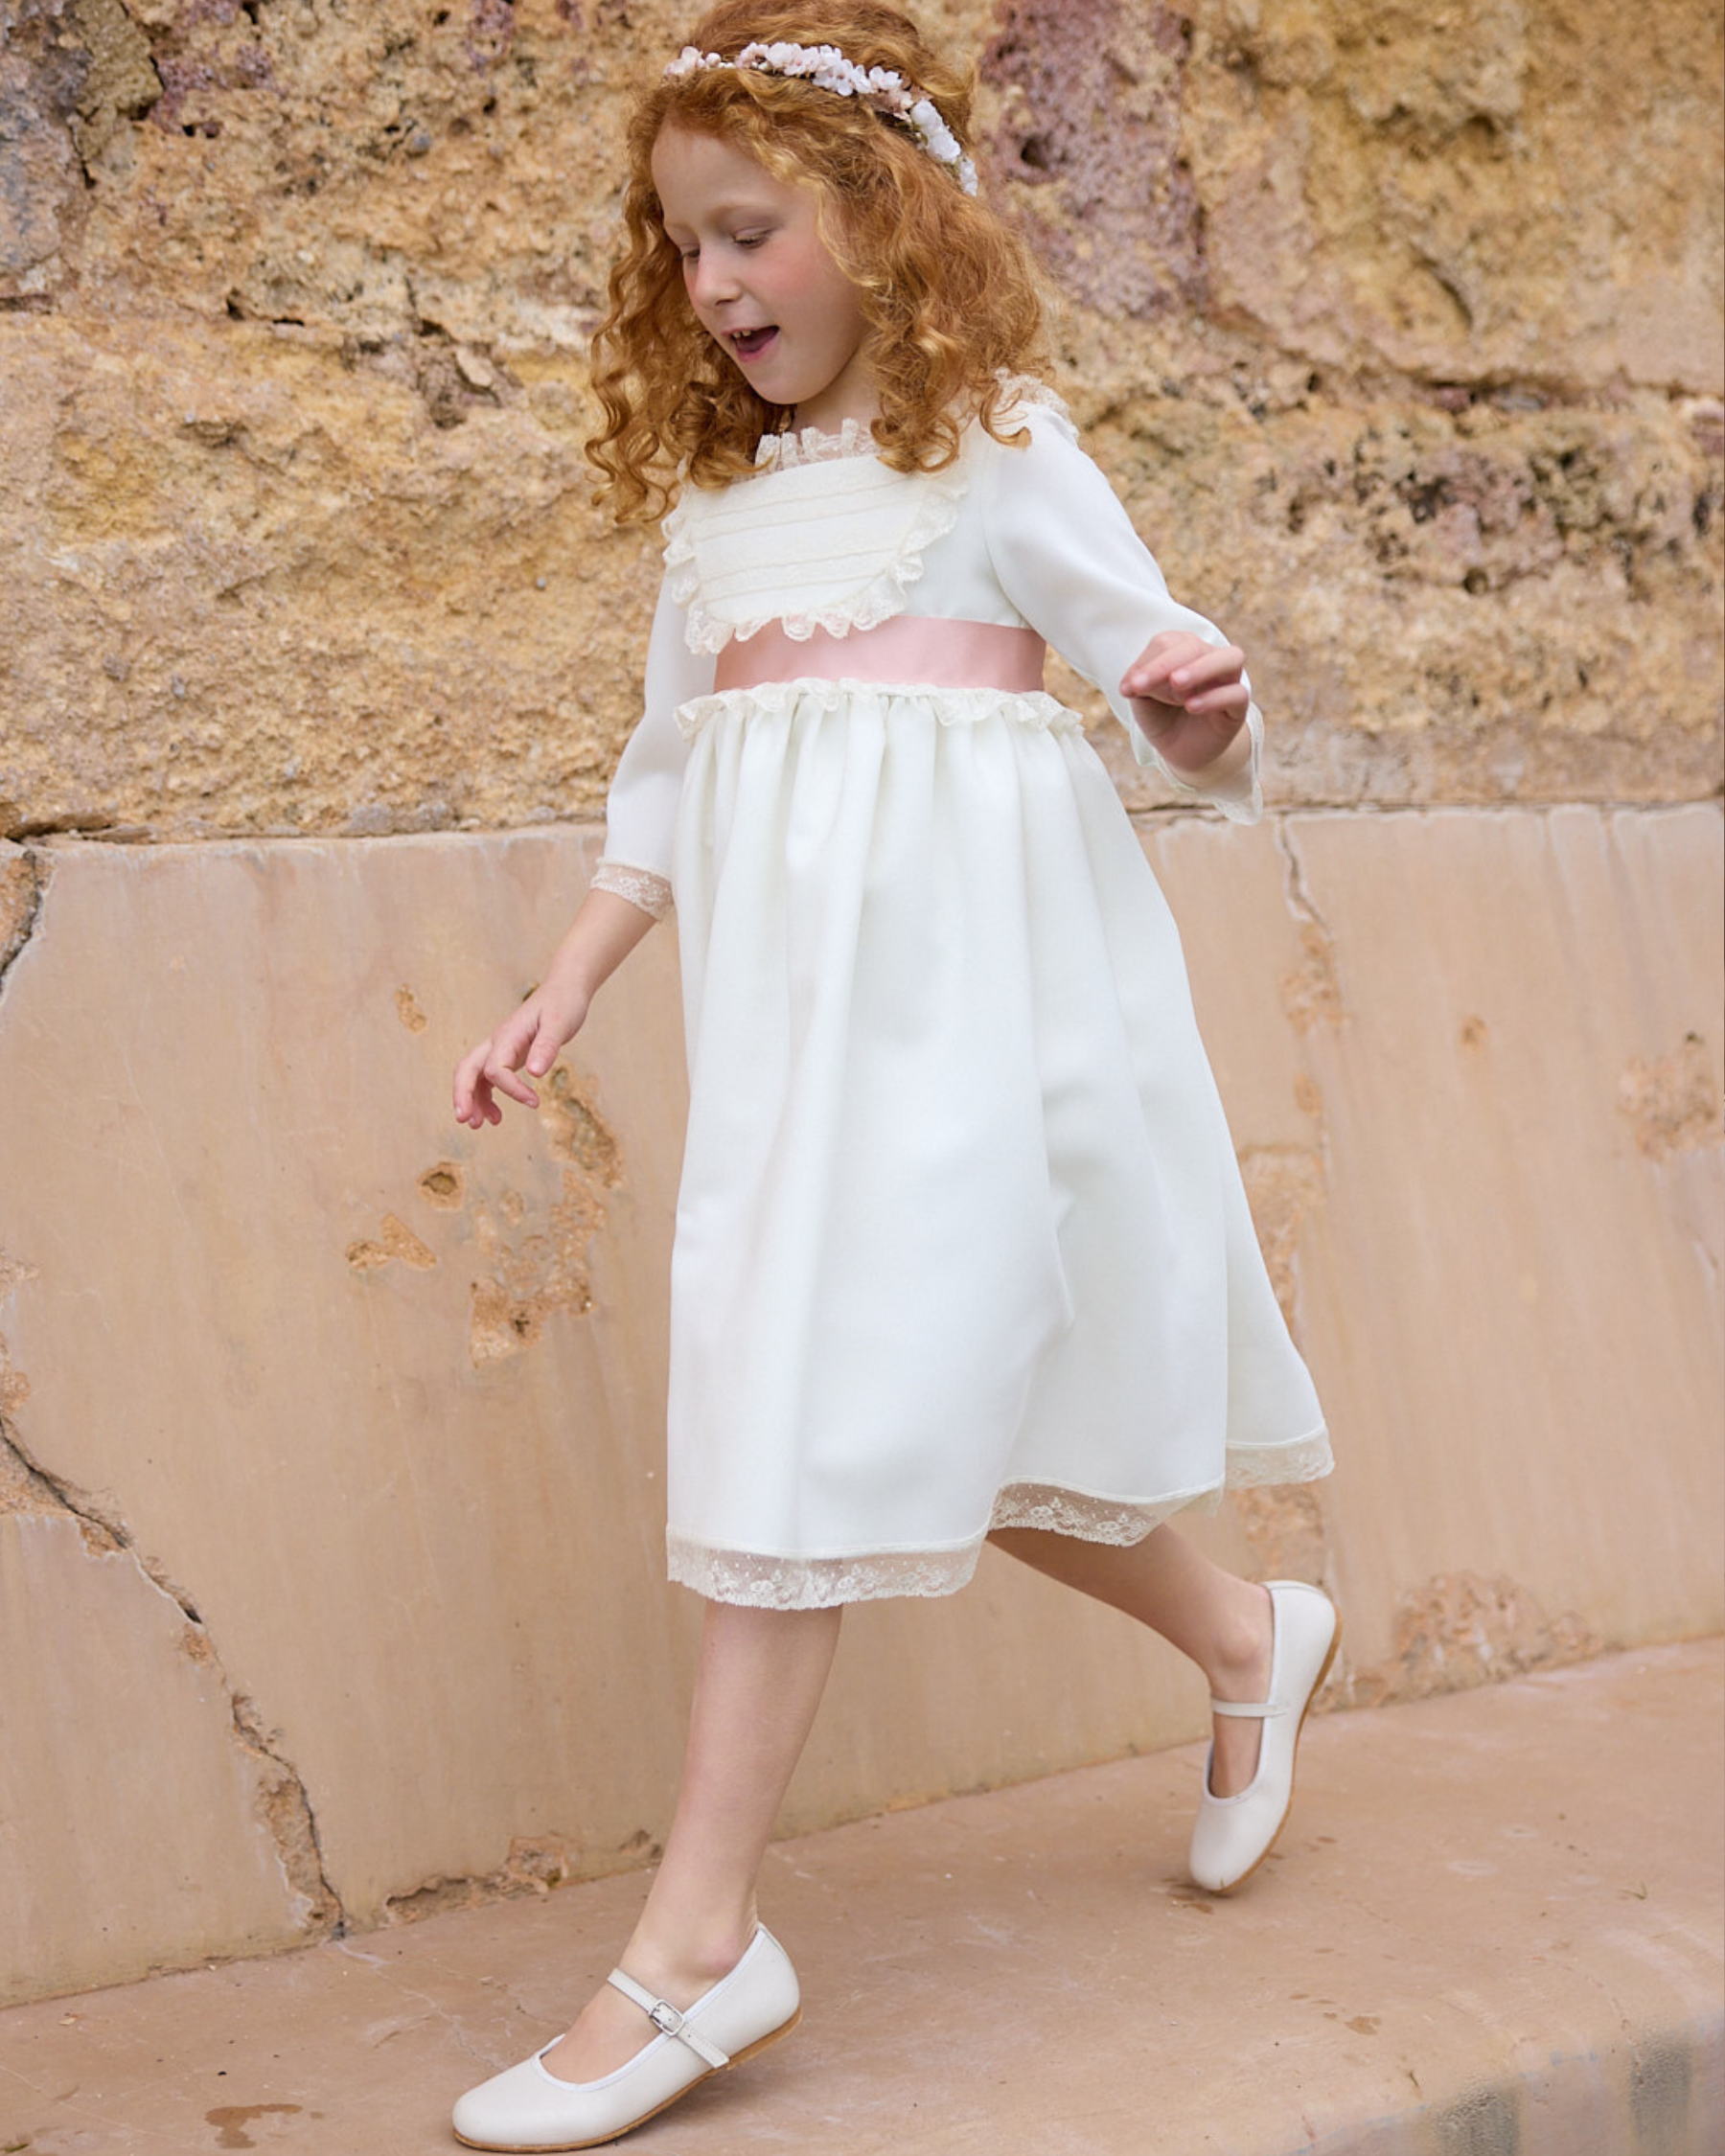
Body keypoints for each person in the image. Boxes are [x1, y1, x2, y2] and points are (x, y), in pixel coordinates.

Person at [448, 8, 1338, 2147]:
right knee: (923, 1426)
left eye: (747, 229)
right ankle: (1246, 1634)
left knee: (813, 1416)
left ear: (877, 216)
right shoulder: (722, 519)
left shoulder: (999, 447)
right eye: (679, 249)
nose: (714, 284)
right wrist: (567, 975)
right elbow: (667, 779)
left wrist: (1199, 707)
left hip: (987, 1039)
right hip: (798, 1063)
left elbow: (1158, 681)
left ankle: (693, 1948)